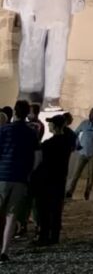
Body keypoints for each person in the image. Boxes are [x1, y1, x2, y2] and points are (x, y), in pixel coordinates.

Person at [0, 99, 38, 261]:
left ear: (15, 112)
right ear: (27, 113)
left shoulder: (4, 130)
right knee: (11, 215)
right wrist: (29, 173)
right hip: (21, 177)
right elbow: (37, 156)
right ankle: (4, 251)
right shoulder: (31, 132)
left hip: (2, 176)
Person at [32, 113, 75, 246]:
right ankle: (54, 236)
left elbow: (39, 161)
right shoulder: (67, 142)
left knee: (44, 208)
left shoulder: (48, 144)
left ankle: (44, 235)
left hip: (46, 178)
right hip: (60, 177)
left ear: (55, 126)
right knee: (56, 207)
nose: (49, 125)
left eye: (50, 123)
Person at [66, 107, 93, 199]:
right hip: (83, 152)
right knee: (76, 173)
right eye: (90, 113)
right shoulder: (84, 123)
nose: (91, 115)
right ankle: (70, 191)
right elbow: (76, 133)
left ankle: (87, 191)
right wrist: (77, 143)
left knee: (91, 175)